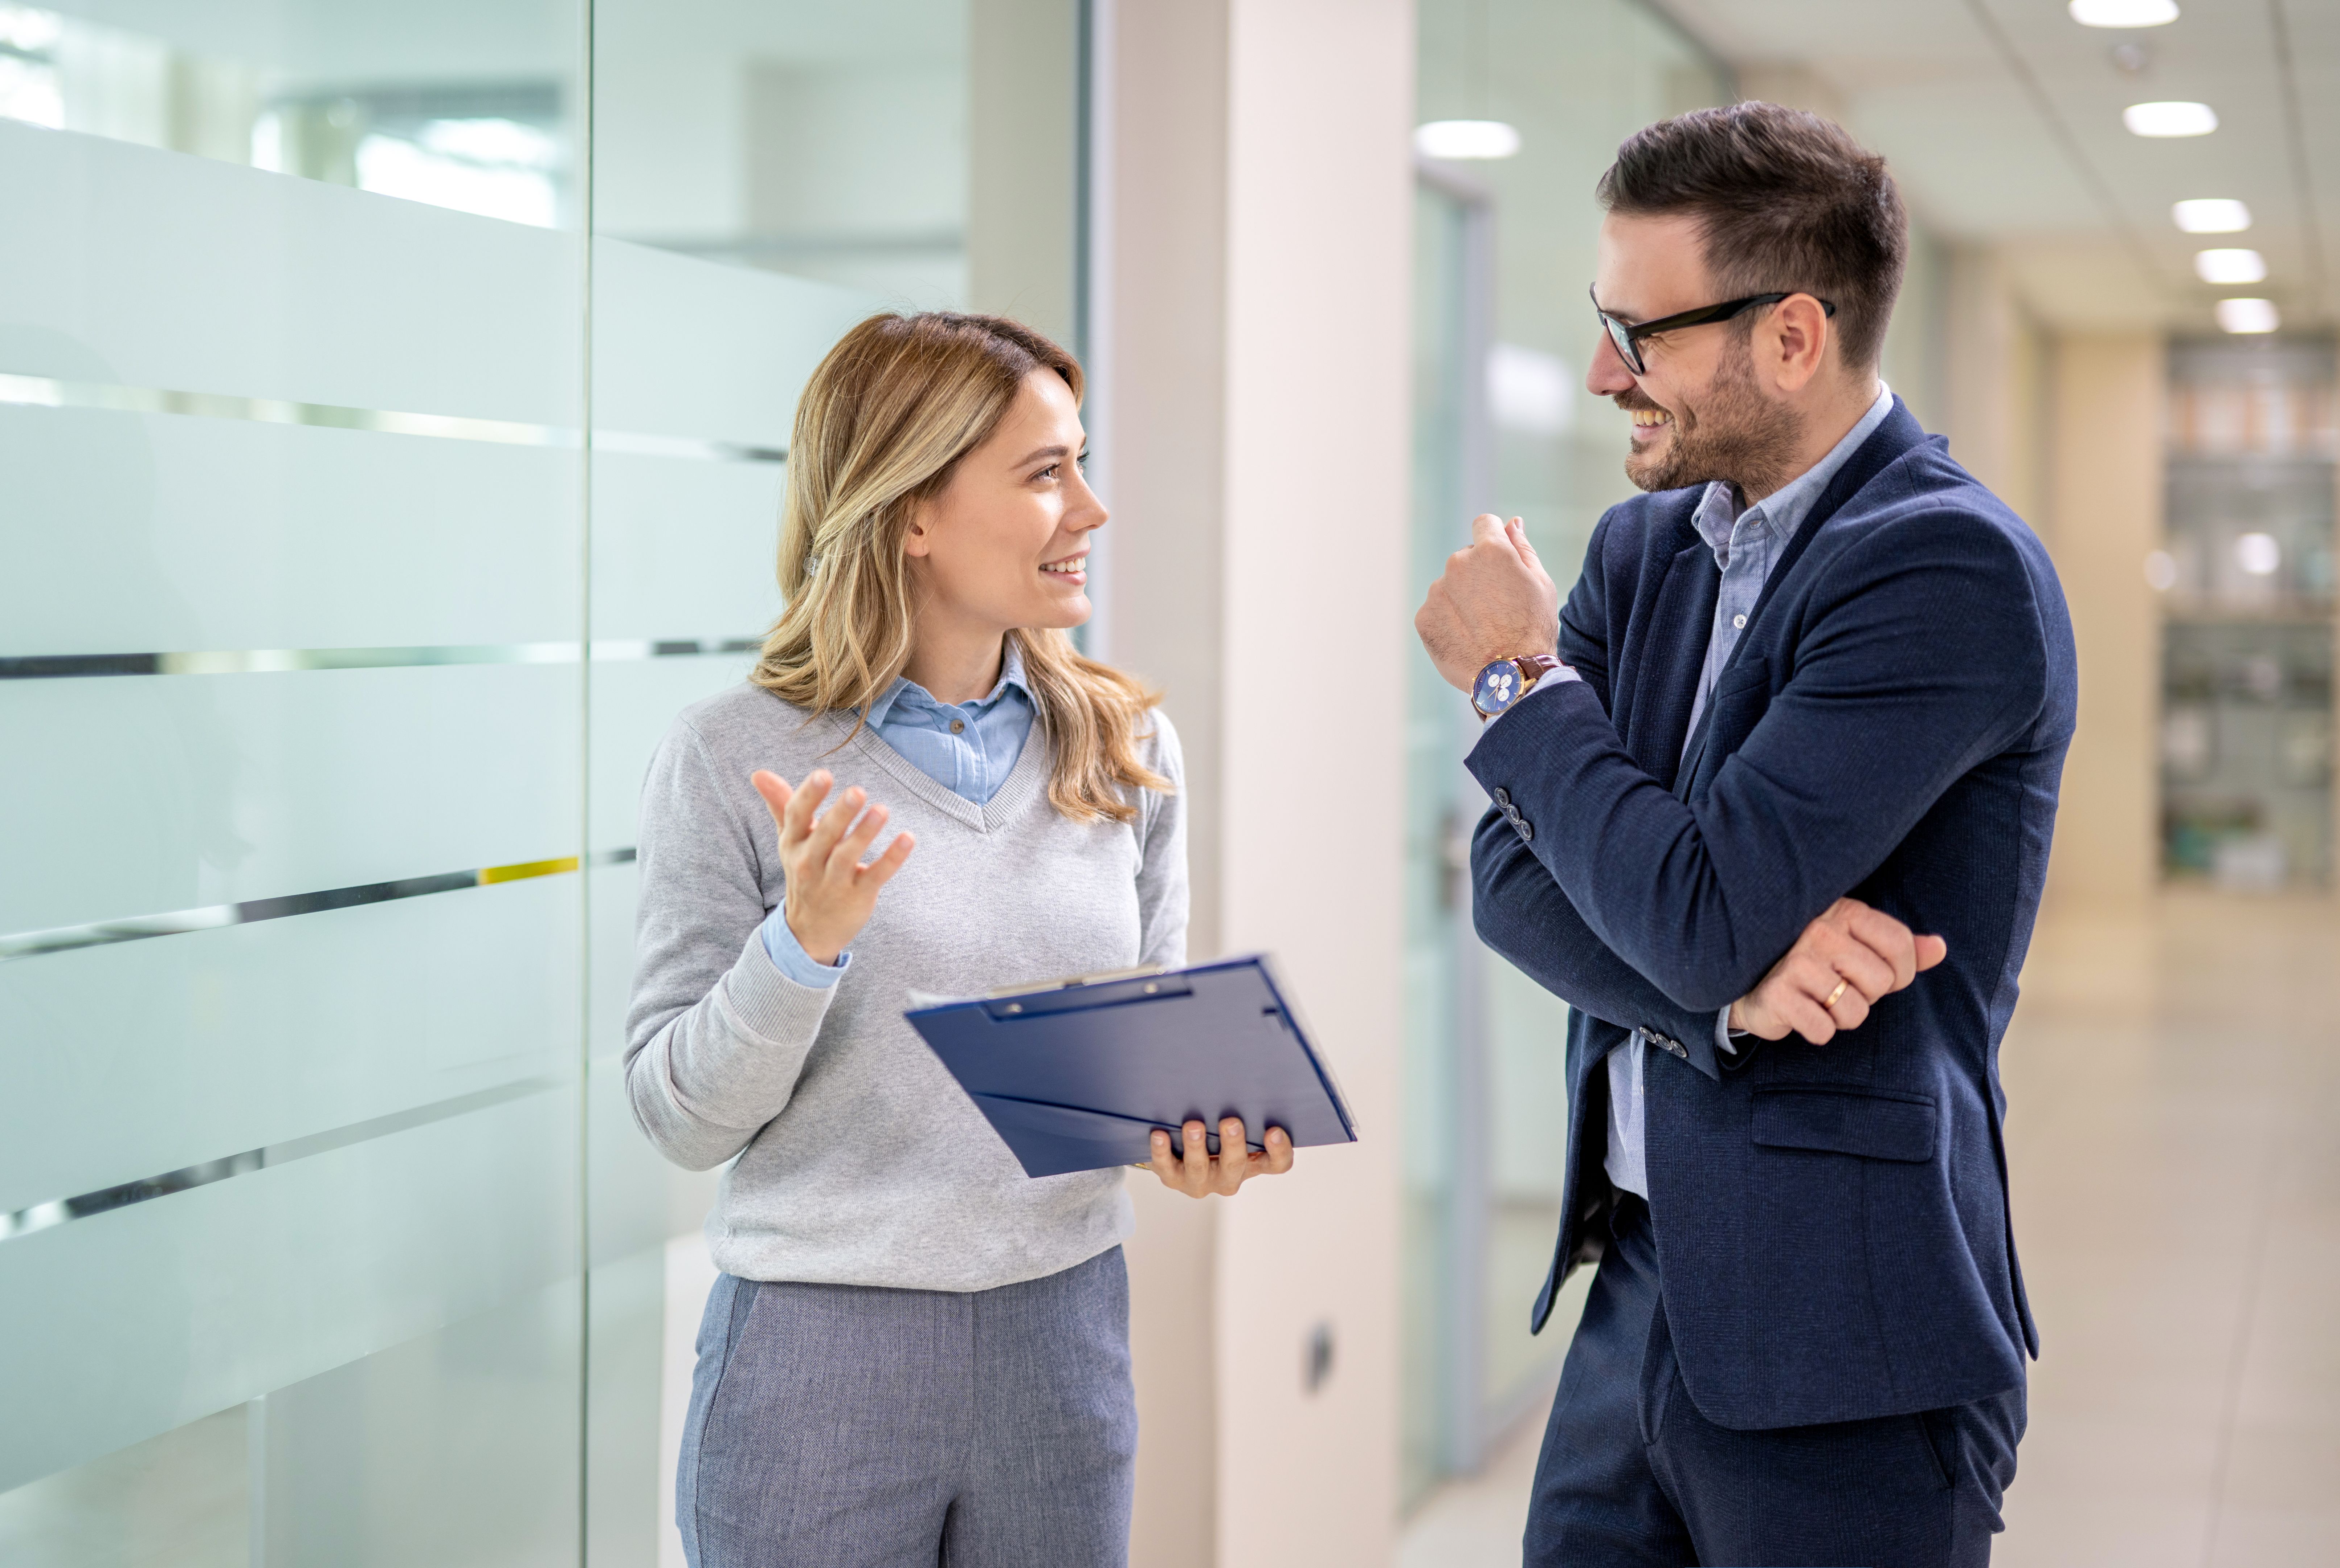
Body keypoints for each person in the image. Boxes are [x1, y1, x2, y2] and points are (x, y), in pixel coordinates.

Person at [1414, 103, 2076, 1567]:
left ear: (1790, 336)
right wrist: (1726, 992)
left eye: (1638, 332)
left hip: (1852, 1339)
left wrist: (1517, 681)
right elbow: (1516, 883)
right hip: (1635, 1286)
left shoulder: (1947, 570)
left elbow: (1692, 908)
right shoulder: (1644, 553)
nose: (1604, 373)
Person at [623, 311, 1293, 1568]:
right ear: (911, 510)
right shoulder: (729, 757)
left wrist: (1189, 1136)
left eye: (1080, 464)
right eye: (1046, 475)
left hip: (1064, 1338)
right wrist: (801, 946)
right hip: (819, 1362)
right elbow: (679, 1119)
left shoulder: (1128, 750)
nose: (1089, 509)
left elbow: (1141, 1058)